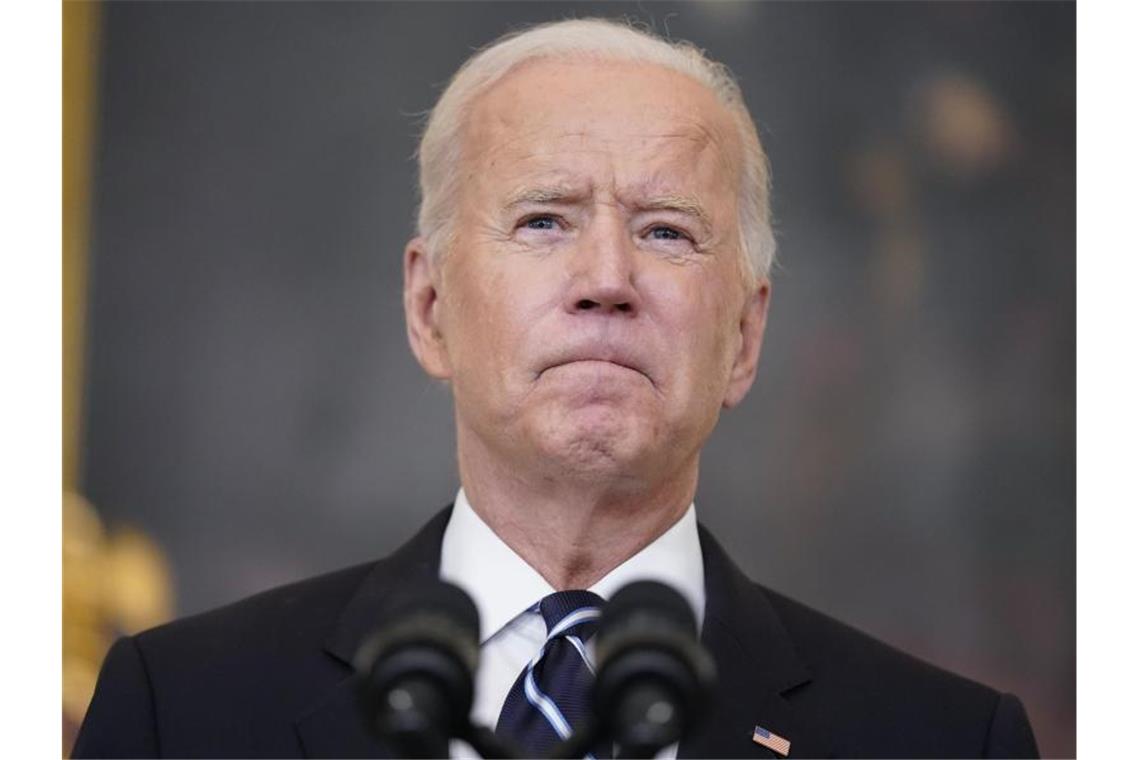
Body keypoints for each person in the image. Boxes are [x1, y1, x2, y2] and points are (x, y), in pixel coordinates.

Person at [73, 18, 1039, 759]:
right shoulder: (184, 709)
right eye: (544, 220)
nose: (607, 278)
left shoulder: (943, 739)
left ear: (744, 337)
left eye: (666, 230)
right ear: (430, 305)